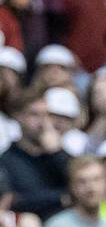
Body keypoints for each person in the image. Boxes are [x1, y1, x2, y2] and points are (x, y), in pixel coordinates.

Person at [0, 88, 69, 220]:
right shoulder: (6, 160)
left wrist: (57, 153)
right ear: (19, 117)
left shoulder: (57, 155)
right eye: (35, 115)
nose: (43, 122)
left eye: (47, 115)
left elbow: (79, 183)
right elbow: (14, 201)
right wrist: (61, 198)